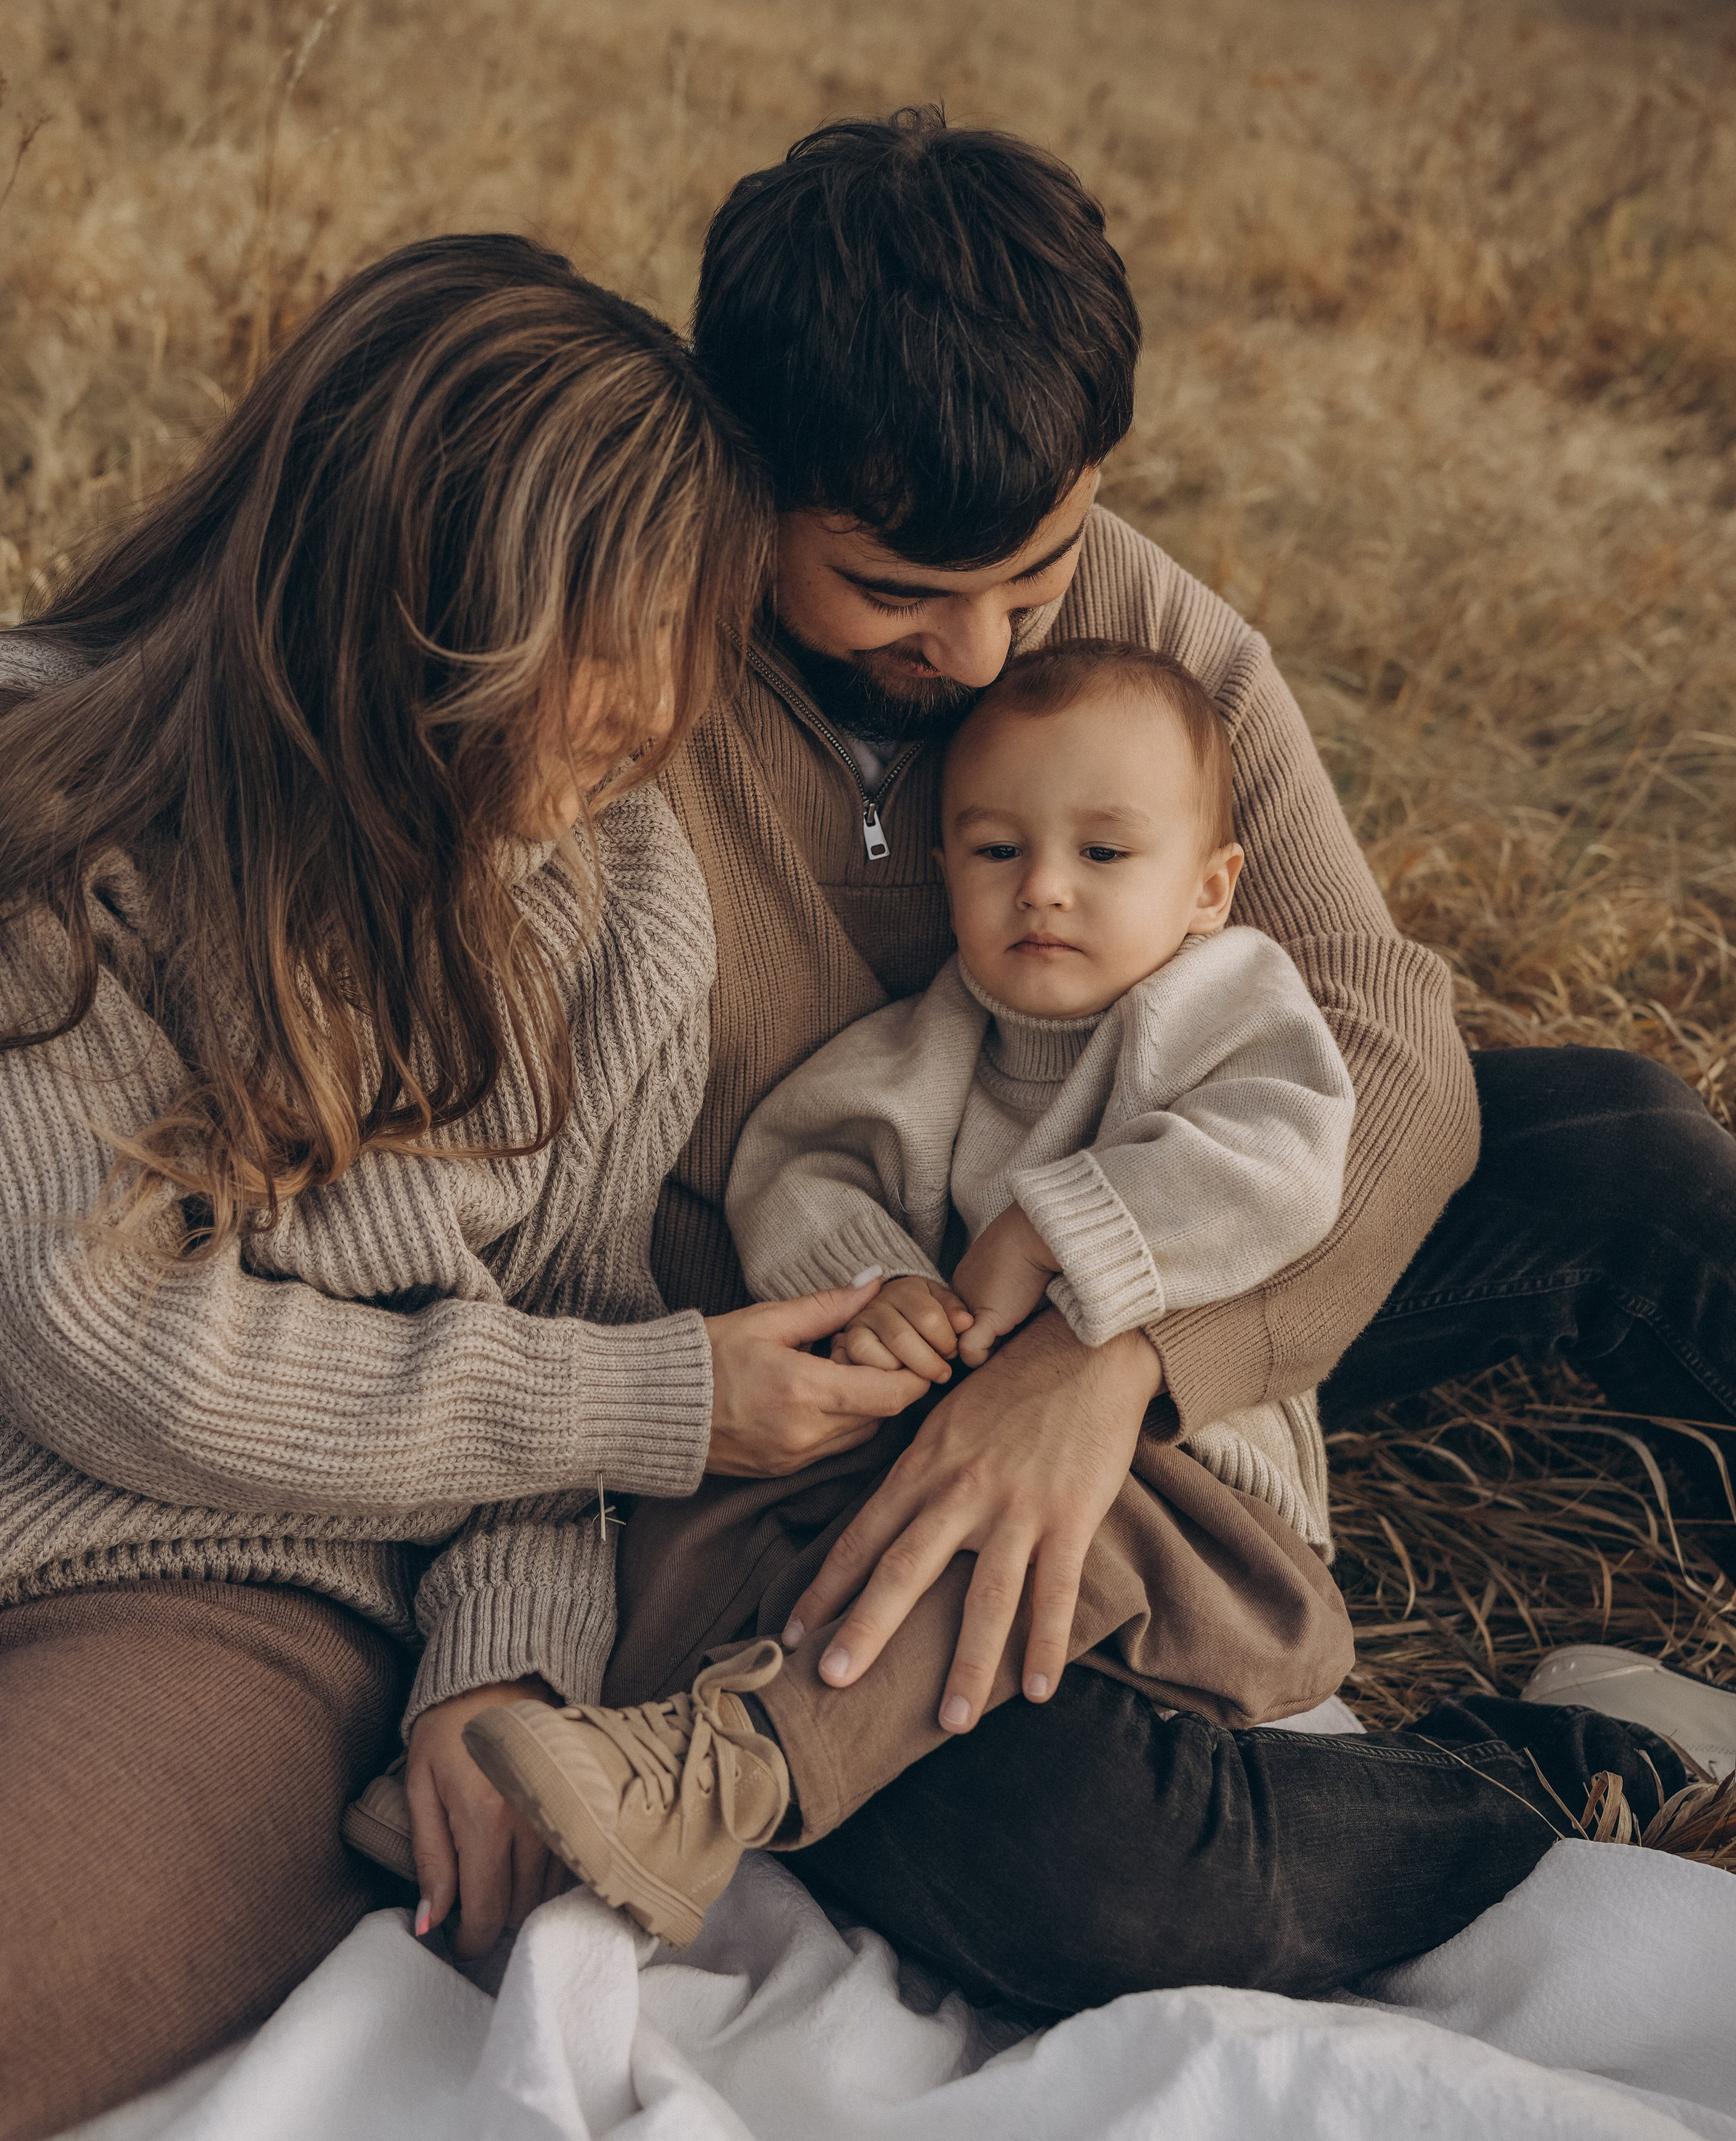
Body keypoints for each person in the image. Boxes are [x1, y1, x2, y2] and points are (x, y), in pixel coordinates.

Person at [474, 105, 1735, 2014]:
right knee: (1088, 1871)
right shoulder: (619, 676)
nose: (985, 651)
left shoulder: (1144, 616)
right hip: (839, 1407)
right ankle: (1543, 1773)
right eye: (896, 591)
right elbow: (554, 1221)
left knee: (1638, 1148)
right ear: (746, 482)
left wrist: (1125, 1356)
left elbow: (1383, 1040)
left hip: (1173, 1255)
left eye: (1037, 569)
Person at [0, 234, 929, 2141]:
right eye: (618, 637)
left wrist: (501, 1662)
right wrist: (664, 1398)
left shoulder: (619, 910)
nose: (665, 706)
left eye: (690, 629)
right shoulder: (7, 769)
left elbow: (578, 1302)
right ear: (416, 599)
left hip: (229, 1605)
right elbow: (87, 1327)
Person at [462, 634, 1367, 1942]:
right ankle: (623, 1734)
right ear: (943, 870)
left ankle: (722, 1770)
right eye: (998, 850)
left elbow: (1285, 1154)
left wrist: (1054, 1229)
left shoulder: (1221, 1004)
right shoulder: (935, 1038)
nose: (1045, 888)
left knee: (957, 1540)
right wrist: (877, 1281)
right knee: (805, 1530)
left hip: (1187, 1488)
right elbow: (804, 1160)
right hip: (977, 1453)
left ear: (1211, 885)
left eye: (1104, 855)